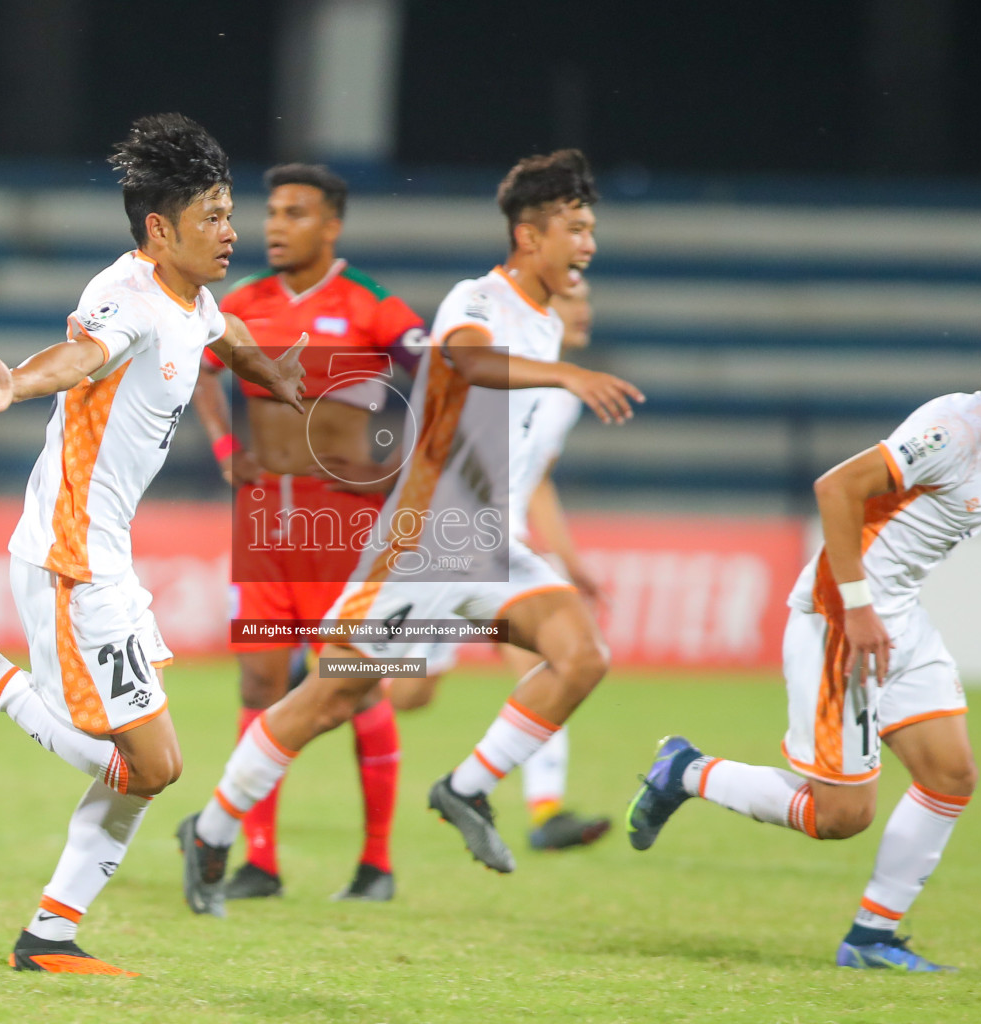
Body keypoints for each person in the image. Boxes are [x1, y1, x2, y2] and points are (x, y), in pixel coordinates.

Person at [0, 113, 306, 974]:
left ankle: (48, 936)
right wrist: (18, 382)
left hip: (104, 557)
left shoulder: (191, 296)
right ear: (161, 228)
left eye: (231, 212)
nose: (233, 232)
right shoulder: (128, 295)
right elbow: (79, 359)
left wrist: (278, 376)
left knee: (147, 766)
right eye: (214, 216)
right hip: (70, 560)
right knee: (153, 765)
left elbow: (222, 333)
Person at [177, 148, 646, 918]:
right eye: (577, 228)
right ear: (530, 236)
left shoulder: (546, 324)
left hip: (488, 541)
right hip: (423, 543)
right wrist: (564, 376)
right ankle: (214, 828)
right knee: (330, 699)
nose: (588, 244)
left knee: (581, 655)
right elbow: (463, 357)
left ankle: (465, 790)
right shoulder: (480, 299)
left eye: (591, 229)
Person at [625, 288, 981, 971]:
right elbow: (837, 488)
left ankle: (870, 938)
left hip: (897, 620)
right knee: (841, 817)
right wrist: (860, 607)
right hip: (842, 616)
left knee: (951, 774)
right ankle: (685, 771)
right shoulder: (956, 427)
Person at [188, 163, 426, 903]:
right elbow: (198, 370)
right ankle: (259, 859)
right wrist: (227, 450)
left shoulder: (372, 306)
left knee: (354, 681)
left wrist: (399, 460)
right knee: (261, 679)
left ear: (332, 225)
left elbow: (440, 375)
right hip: (265, 521)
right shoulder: (243, 300)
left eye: (296, 212)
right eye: (273, 212)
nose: (275, 225)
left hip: (342, 522)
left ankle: (377, 864)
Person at [387, 278, 612, 852]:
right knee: (411, 695)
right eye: (571, 299)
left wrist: (568, 559)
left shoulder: (562, 397)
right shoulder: (501, 370)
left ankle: (545, 810)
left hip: (502, 547)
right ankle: (323, 672)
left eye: (585, 299)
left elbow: (536, 484)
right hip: (449, 540)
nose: (583, 310)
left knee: (555, 658)